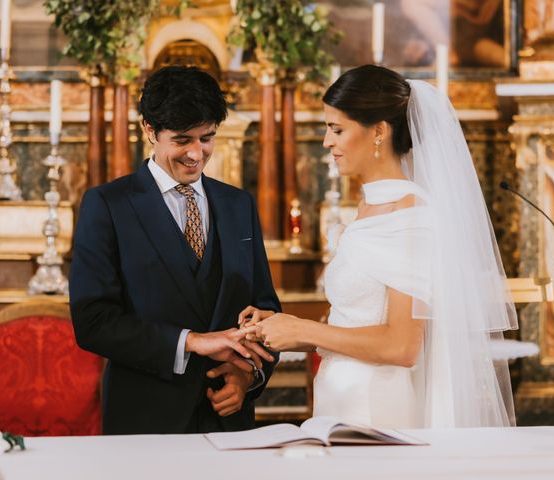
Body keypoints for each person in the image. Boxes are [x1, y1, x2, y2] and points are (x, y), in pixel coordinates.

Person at [242, 65, 518, 428]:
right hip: (343, 401)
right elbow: (357, 322)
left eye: (337, 129)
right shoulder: (369, 206)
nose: (327, 142)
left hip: (376, 409)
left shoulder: (410, 214)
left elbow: (402, 346)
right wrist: (282, 329)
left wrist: (303, 330)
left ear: (378, 132)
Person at [69, 66, 280, 435]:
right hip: (145, 420)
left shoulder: (238, 205)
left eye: (207, 138)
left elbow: (266, 310)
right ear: (149, 130)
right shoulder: (107, 205)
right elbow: (93, 323)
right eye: (182, 140)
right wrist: (193, 342)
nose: (196, 154)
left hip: (229, 422)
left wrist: (248, 378)